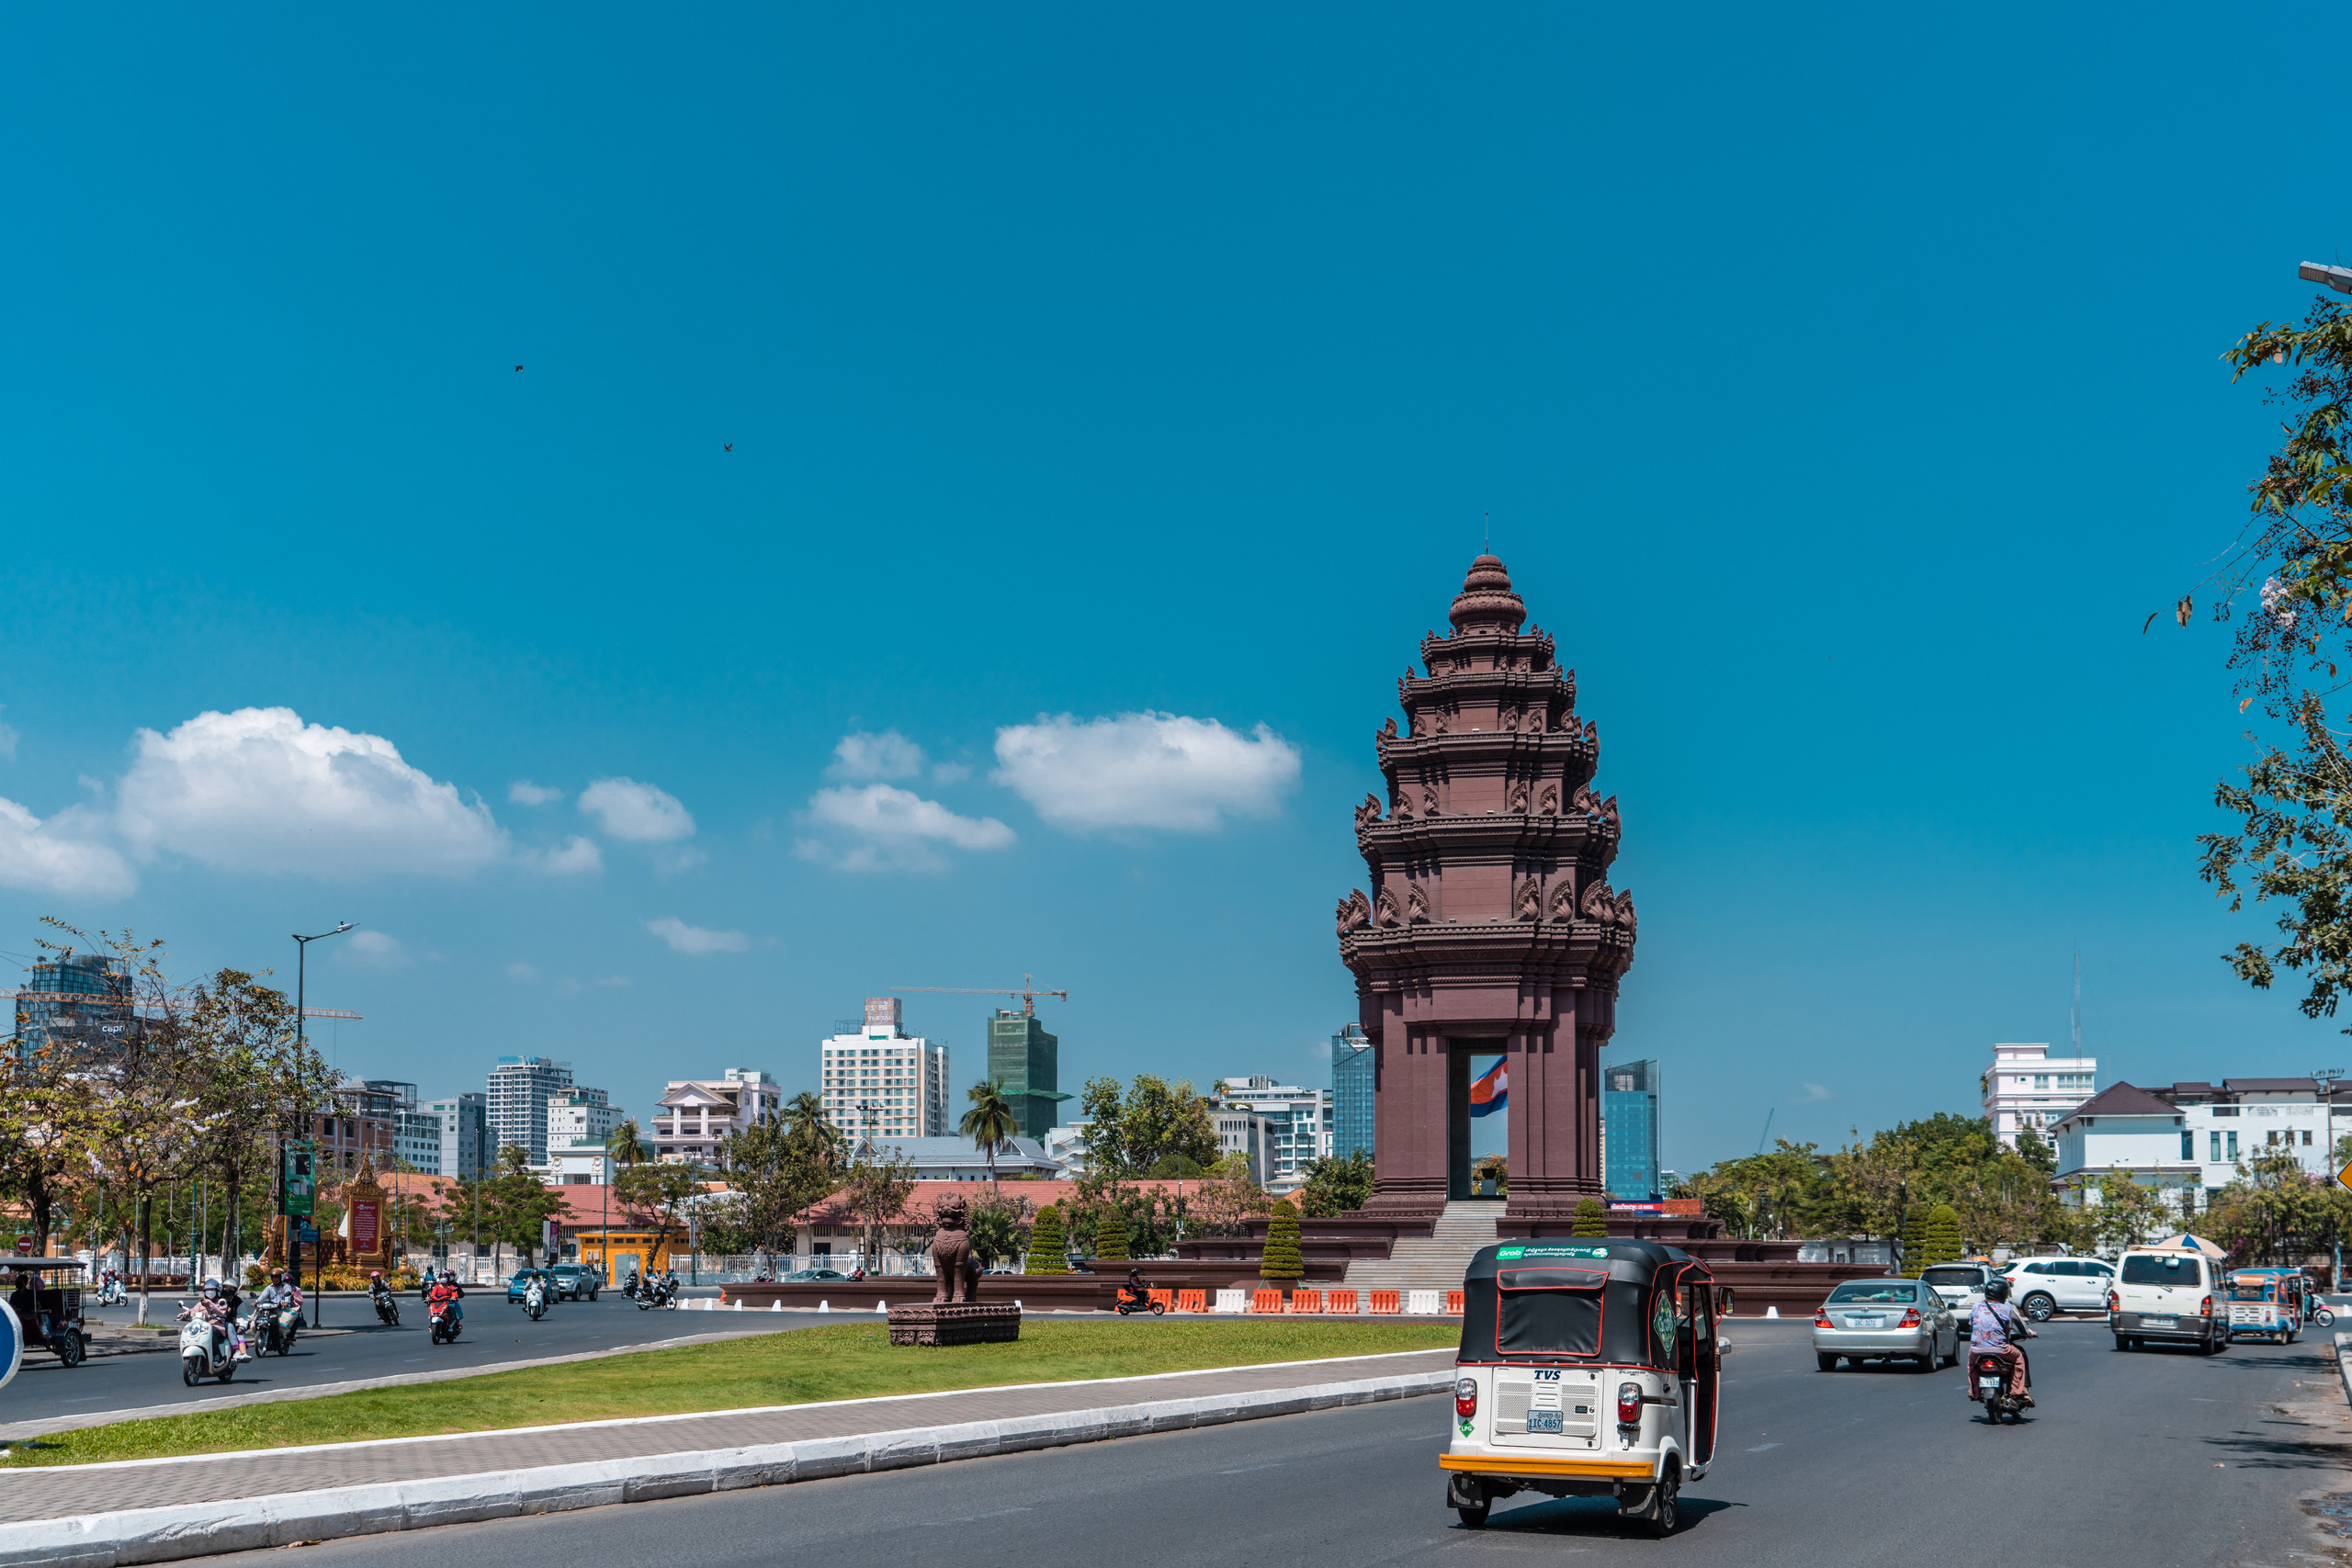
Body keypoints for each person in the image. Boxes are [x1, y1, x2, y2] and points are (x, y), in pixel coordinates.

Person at [1968, 1275, 2034, 1404]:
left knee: (1972, 1366)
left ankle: (1974, 1392)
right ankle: (2016, 1392)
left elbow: (1972, 1326)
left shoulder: (1976, 1307)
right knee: (2019, 1358)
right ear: (2004, 1294)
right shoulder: (2006, 1309)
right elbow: (2007, 1332)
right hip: (2000, 1349)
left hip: (1976, 1349)